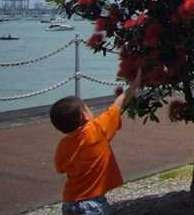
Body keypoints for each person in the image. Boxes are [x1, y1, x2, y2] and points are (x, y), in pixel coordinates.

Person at [49, 69, 142, 215]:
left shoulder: (63, 145)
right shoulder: (97, 129)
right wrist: (134, 85)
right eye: (88, 108)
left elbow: (60, 168)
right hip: (91, 204)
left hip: (69, 201)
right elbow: (119, 103)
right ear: (84, 116)